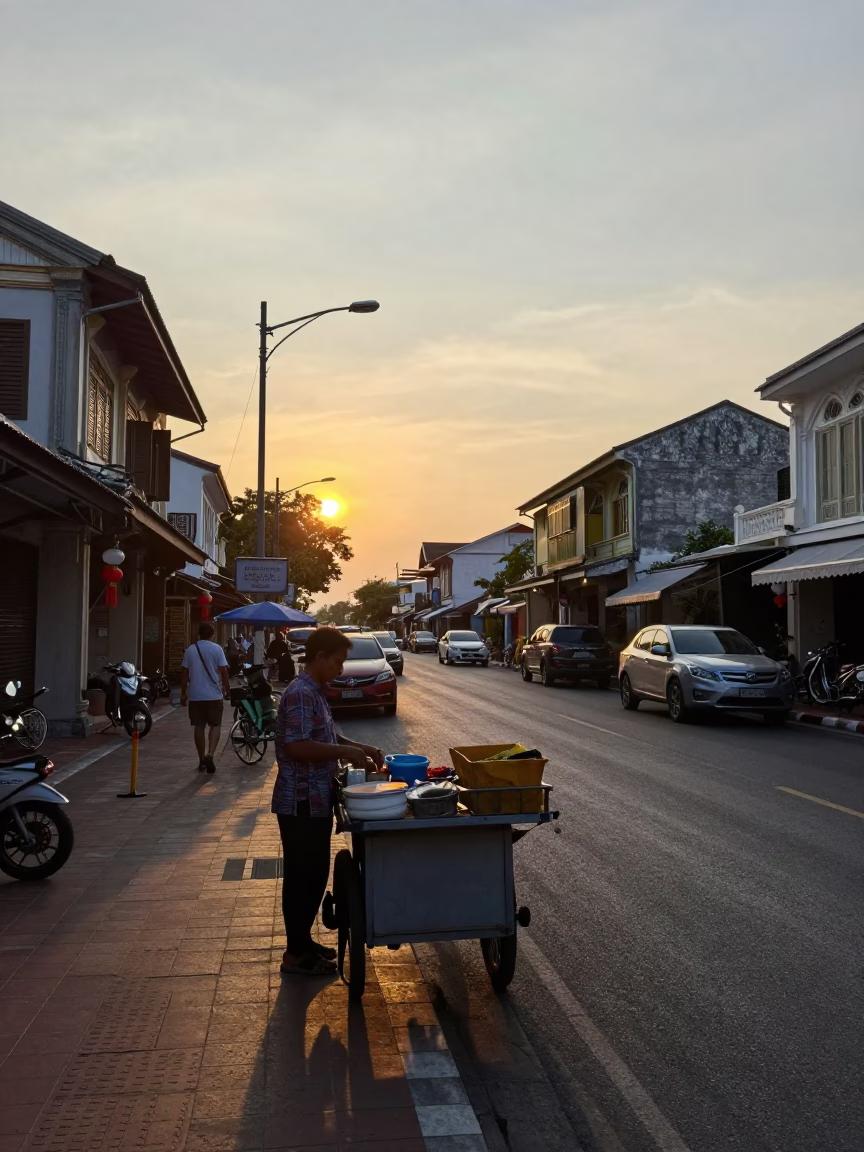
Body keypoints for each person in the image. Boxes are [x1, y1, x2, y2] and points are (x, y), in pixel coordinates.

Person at [273, 626, 383, 975]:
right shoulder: (300, 693)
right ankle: (295, 954)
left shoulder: (316, 691)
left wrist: (360, 748)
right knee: (303, 875)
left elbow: (327, 734)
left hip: (317, 797)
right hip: (300, 800)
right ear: (319, 657)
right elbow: (297, 745)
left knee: (315, 873)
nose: (341, 669)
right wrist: (345, 751)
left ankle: (303, 944)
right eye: (337, 662)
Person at [180, 621, 230, 773]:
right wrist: (227, 688)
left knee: (199, 726)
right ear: (213, 635)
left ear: (198, 634)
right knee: (215, 725)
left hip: (195, 695)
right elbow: (223, 671)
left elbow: (184, 674)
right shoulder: (217, 649)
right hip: (214, 695)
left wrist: (183, 693)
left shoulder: (190, 650)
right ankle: (210, 754)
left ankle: (201, 759)